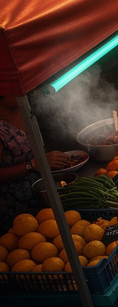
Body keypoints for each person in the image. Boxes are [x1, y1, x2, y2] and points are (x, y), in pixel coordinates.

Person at [0, 96, 70, 232]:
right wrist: (33, 164)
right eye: (12, 89)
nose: (21, 93)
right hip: (17, 206)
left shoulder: (24, 108)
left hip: (42, 191)